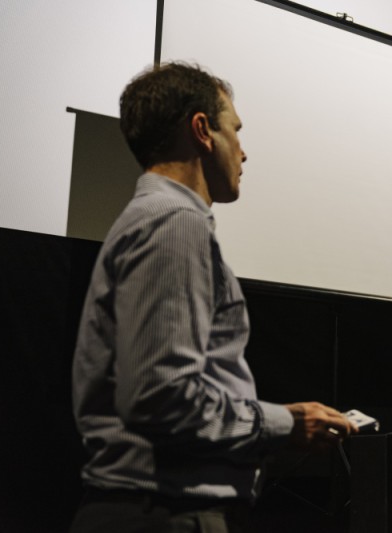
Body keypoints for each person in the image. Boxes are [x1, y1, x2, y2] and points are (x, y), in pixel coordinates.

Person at [69, 61, 355, 532]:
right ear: (202, 130)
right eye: (235, 131)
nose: (243, 151)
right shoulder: (174, 222)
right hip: (165, 514)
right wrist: (286, 424)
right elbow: (161, 398)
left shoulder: (156, 218)